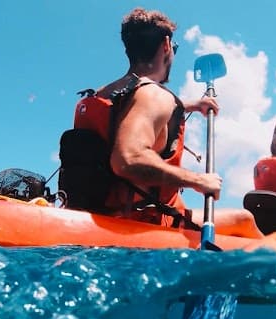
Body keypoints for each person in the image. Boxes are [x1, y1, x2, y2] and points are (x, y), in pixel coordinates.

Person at [58, 7, 263, 239]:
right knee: (244, 221)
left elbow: (126, 114)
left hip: (98, 214)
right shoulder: (155, 96)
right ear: (166, 45)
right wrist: (198, 180)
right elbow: (127, 159)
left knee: (180, 201)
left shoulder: (101, 96)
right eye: (173, 48)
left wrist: (190, 105)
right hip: (141, 224)